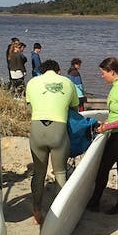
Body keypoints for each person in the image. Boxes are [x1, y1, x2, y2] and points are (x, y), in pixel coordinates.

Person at [26, 59, 78, 224]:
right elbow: (74, 109)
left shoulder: (32, 82)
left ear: (41, 71)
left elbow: (29, 107)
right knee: (60, 173)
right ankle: (59, 217)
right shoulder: (68, 83)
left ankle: (36, 212)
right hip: (58, 130)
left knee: (39, 173)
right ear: (58, 71)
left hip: (36, 130)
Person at [87, 57, 118, 215]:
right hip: (117, 133)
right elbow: (117, 113)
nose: (102, 76)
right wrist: (107, 122)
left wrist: (107, 126)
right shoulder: (117, 85)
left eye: (103, 73)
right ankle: (95, 201)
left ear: (112, 72)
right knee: (103, 168)